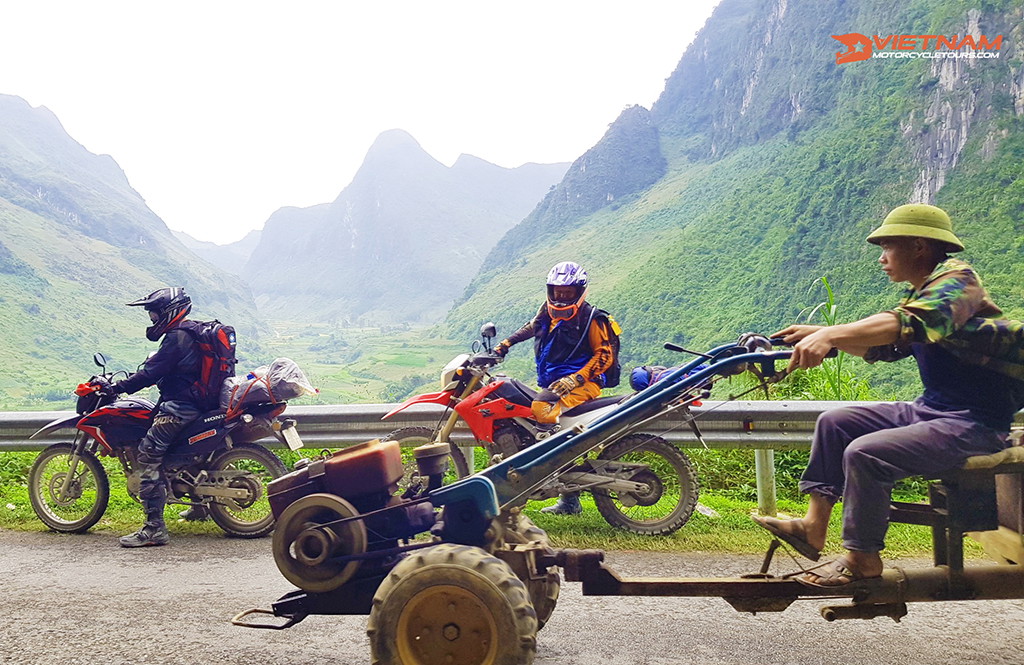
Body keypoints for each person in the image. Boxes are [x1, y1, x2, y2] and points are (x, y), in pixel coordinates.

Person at [755, 203, 1024, 586]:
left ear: (918, 246)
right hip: (930, 411)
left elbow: (911, 323)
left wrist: (832, 335)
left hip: (973, 424)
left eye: (888, 247)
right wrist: (822, 334)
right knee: (835, 423)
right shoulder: (924, 292)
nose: (881, 258)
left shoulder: (957, 282)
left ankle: (863, 558)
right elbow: (884, 346)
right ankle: (813, 527)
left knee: (866, 453)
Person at [494, 261, 621, 515]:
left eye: (567, 293)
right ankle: (570, 502)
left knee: (542, 406)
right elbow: (534, 327)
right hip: (553, 382)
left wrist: (575, 379)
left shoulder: (593, 318)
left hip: (583, 384)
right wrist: (506, 343)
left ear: (579, 292)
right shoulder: (548, 311)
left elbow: (604, 356)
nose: (561, 298)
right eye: (557, 292)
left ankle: (548, 476)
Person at [110, 287, 205, 547]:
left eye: (154, 314)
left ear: (168, 312)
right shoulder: (192, 332)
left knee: (148, 457)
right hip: (199, 405)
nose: (152, 319)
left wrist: (117, 387)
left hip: (180, 409)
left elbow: (150, 373)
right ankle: (201, 507)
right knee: (183, 454)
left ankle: (154, 529)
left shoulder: (176, 338)